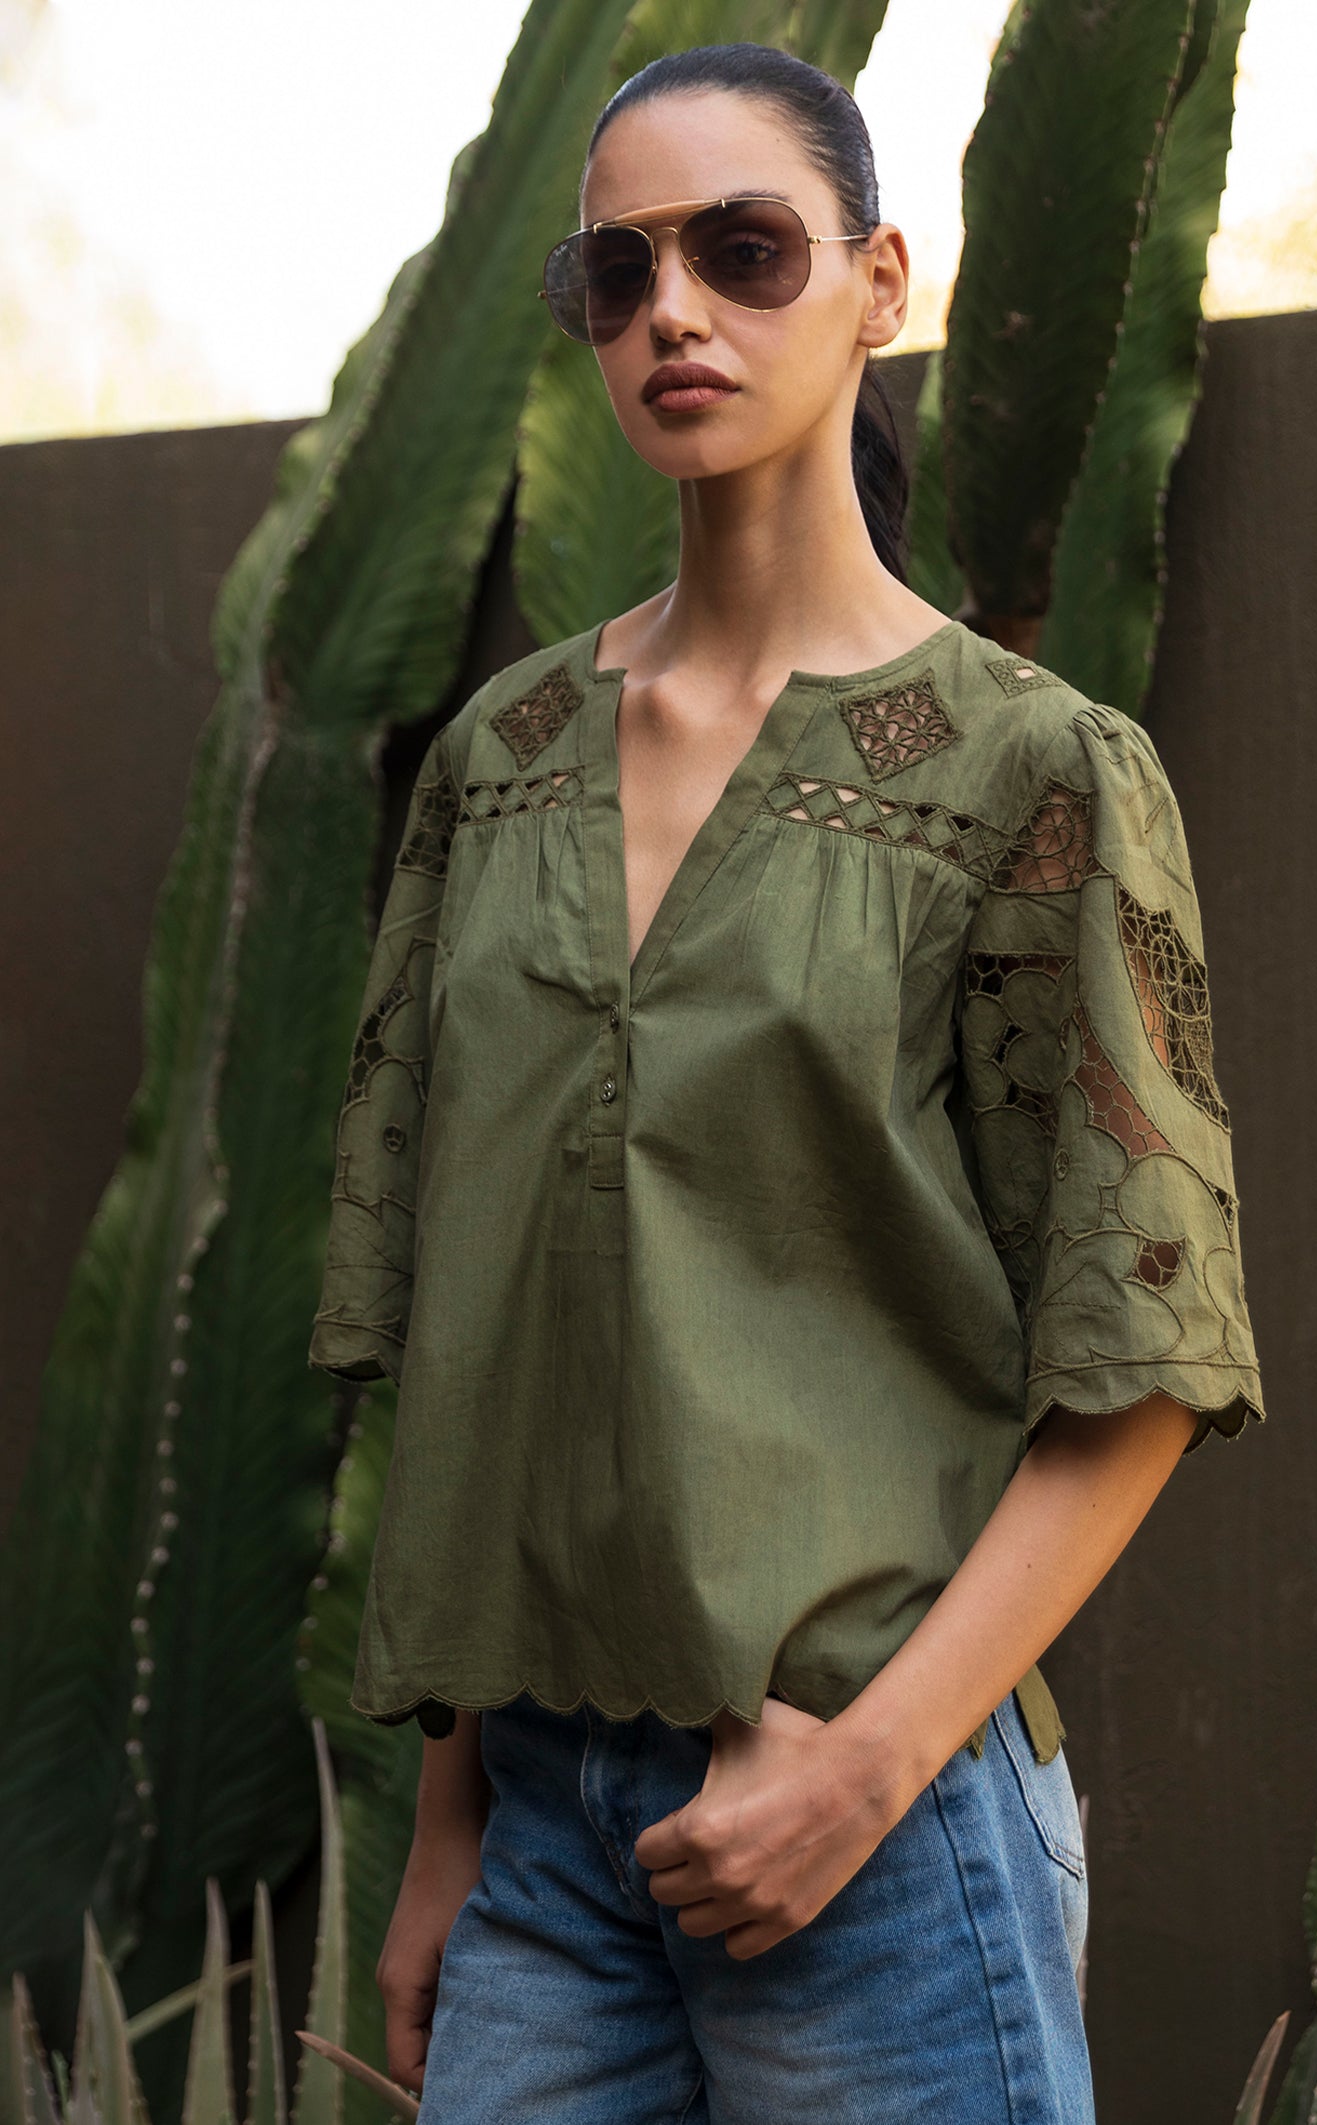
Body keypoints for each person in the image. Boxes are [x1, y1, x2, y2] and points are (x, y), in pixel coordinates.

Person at [306, 39, 1264, 2125]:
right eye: (616, 270)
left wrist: (865, 1762)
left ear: (876, 280)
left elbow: (1148, 1352)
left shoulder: (1037, 771)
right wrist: (449, 1812)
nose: (675, 310)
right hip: (546, 1841)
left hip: (874, 1825)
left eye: (743, 249)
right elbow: (481, 1339)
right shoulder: (498, 765)